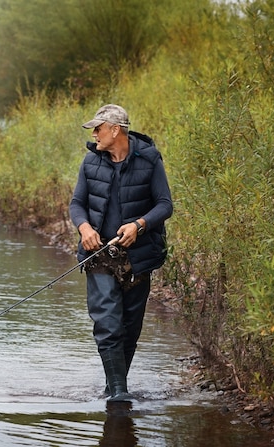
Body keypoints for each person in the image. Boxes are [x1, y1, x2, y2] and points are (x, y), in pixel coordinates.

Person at [69, 104, 173, 401]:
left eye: (98, 128)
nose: (94, 134)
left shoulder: (150, 159)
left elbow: (165, 205)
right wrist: (84, 228)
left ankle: (114, 386)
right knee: (108, 323)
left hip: (138, 256)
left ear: (116, 130)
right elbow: (77, 203)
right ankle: (119, 394)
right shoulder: (90, 162)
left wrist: (139, 225)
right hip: (98, 254)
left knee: (129, 326)